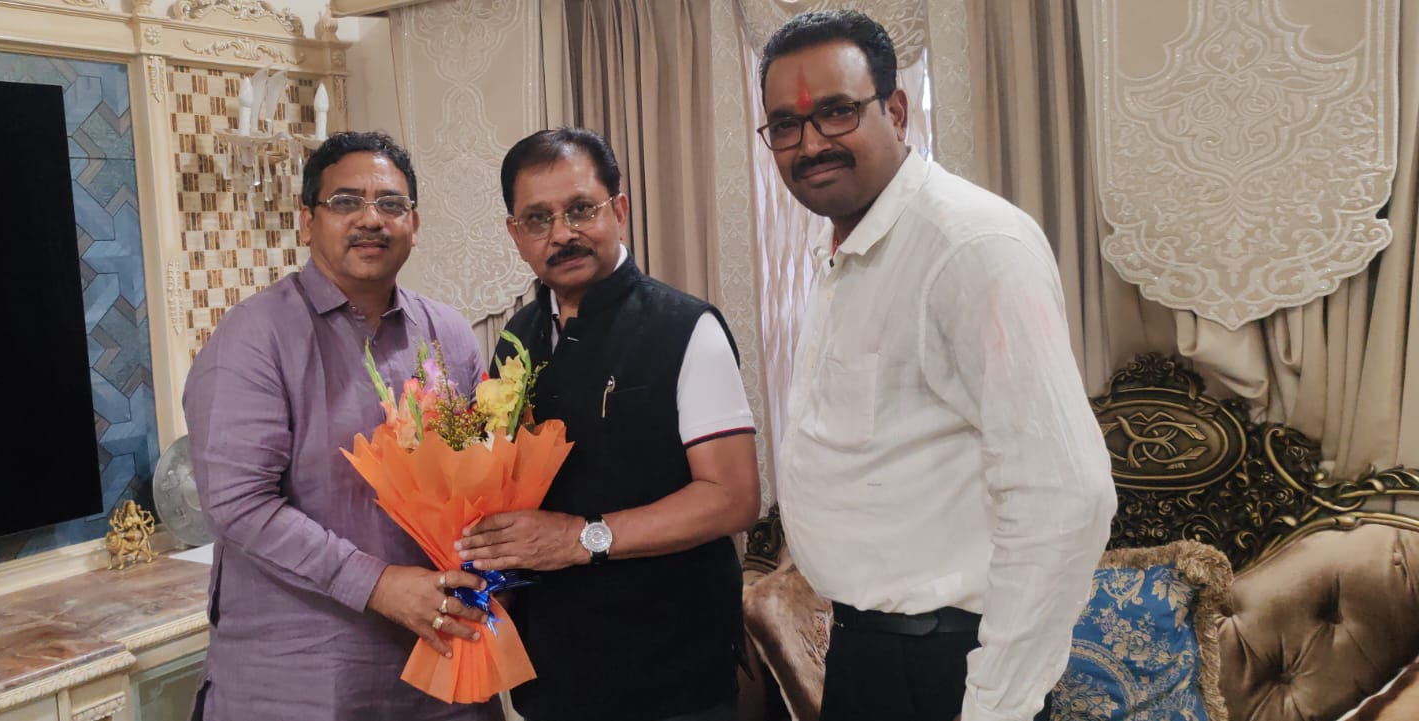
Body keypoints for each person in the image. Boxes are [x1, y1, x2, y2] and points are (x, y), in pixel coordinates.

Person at [758, 11, 1118, 721]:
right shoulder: (847, 253)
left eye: (836, 111)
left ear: (896, 110)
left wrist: (995, 703)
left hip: (946, 668)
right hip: (868, 652)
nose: (812, 143)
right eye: (786, 125)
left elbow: (1066, 495)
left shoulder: (970, 246)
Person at [184, 131, 502, 721]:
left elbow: (480, 476)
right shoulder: (255, 337)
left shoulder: (449, 334)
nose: (371, 220)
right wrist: (378, 585)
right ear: (308, 222)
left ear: (414, 223)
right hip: (304, 678)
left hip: (442, 663)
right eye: (346, 202)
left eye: (391, 204)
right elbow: (238, 504)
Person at [453, 128, 761, 721]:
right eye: (538, 219)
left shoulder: (685, 327)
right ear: (515, 234)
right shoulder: (517, 338)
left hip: (672, 678)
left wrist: (580, 538)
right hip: (552, 675)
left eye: (580, 209)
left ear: (618, 210)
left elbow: (733, 498)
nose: (562, 233)